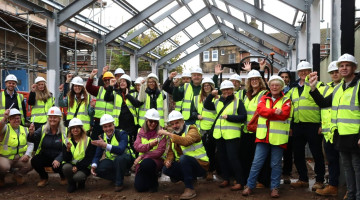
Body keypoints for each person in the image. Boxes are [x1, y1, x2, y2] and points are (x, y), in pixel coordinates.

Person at [308, 53, 359, 200]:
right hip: (341, 135)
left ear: (354, 68)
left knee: (357, 168)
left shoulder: (358, 86)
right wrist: (313, 89)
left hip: (355, 136)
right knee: (348, 168)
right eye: (341, 66)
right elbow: (324, 103)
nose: (343, 68)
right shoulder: (338, 89)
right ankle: (351, 194)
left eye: (347, 65)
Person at [242, 75, 292, 198]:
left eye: (277, 85)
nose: (274, 87)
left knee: (275, 164)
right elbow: (260, 111)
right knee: (256, 163)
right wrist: (275, 111)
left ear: (281, 87)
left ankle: (274, 188)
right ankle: (249, 185)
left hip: (278, 139)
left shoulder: (286, 100)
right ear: (269, 86)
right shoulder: (263, 98)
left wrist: (269, 113)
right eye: (272, 85)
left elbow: (284, 114)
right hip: (263, 137)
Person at [286, 61, 325, 191]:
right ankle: (303, 178)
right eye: (301, 71)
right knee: (297, 153)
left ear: (310, 71)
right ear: (298, 73)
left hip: (313, 125)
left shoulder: (318, 85)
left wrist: (321, 124)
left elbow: (324, 106)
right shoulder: (293, 89)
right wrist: (290, 126)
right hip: (297, 125)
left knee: (317, 153)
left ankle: (319, 180)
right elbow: (289, 108)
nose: (303, 73)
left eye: (306, 71)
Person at [203, 80, 246, 190]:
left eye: (229, 89)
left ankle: (240, 181)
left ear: (232, 90)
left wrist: (229, 117)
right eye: (224, 90)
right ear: (221, 91)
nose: (226, 91)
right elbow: (207, 105)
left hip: (232, 135)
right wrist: (211, 95)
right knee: (222, 158)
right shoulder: (218, 101)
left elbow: (243, 117)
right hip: (219, 134)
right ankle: (225, 179)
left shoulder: (238, 102)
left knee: (233, 158)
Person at [159, 110, 209, 200]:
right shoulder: (173, 135)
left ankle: (190, 188)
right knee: (166, 169)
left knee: (184, 158)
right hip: (186, 165)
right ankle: (190, 179)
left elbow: (186, 141)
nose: (175, 126)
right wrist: (168, 161)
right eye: (172, 124)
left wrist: (168, 133)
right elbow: (170, 152)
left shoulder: (192, 129)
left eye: (177, 123)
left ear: (182, 121)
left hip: (201, 165)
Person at [314, 61, 342, 196]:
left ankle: (348, 188)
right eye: (332, 73)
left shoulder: (346, 87)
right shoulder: (326, 88)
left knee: (347, 161)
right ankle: (333, 186)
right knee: (331, 160)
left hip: (342, 130)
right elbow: (323, 106)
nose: (335, 74)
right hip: (328, 131)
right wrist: (321, 124)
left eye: (336, 71)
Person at [241, 70, 268, 188]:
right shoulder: (247, 95)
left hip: (258, 130)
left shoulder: (264, 93)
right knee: (247, 156)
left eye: (256, 79)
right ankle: (249, 179)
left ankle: (262, 180)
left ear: (260, 80)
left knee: (260, 157)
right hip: (247, 130)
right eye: (252, 79)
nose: (254, 81)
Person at [91, 114, 132, 192]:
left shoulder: (122, 134)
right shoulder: (101, 137)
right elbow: (97, 155)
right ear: (102, 128)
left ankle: (119, 183)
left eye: (110, 126)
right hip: (112, 160)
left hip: (126, 159)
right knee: (98, 168)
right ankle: (117, 177)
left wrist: (105, 145)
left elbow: (121, 150)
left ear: (114, 125)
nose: (108, 128)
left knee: (119, 159)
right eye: (105, 127)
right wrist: (94, 165)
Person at [28, 106, 67, 187]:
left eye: (55, 117)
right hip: (46, 156)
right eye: (50, 117)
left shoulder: (65, 131)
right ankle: (44, 178)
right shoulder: (43, 129)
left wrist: (58, 159)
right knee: (34, 160)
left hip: (59, 157)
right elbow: (32, 139)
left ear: (59, 119)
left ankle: (64, 177)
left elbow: (67, 149)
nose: (52, 119)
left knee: (60, 165)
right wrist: (31, 133)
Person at [133, 109, 166, 192]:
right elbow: (137, 146)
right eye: (151, 121)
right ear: (146, 121)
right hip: (142, 162)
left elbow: (159, 151)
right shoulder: (140, 131)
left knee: (147, 163)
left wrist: (142, 156)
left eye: (155, 122)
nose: (153, 124)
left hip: (156, 161)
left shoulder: (161, 133)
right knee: (140, 188)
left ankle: (154, 183)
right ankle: (146, 180)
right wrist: (150, 145)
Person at [104, 74, 138, 155]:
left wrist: (128, 95)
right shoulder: (116, 92)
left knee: (132, 142)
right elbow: (107, 98)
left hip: (131, 123)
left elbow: (136, 104)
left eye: (124, 81)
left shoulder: (133, 93)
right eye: (120, 82)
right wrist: (111, 86)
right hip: (119, 123)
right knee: (121, 140)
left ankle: (132, 157)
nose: (122, 83)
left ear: (128, 83)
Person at [192, 78, 217, 181]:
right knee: (201, 151)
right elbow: (192, 112)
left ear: (212, 86)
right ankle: (203, 170)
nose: (206, 87)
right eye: (205, 85)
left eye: (208, 85)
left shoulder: (217, 98)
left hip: (212, 128)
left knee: (211, 151)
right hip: (200, 128)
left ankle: (210, 171)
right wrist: (197, 115)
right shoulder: (197, 98)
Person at [0, 108, 33, 186]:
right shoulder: (5, 128)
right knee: (3, 167)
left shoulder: (25, 129)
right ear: (9, 119)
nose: (16, 120)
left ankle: (17, 175)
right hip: (5, 158)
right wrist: (4, 118)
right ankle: (1, 178)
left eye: (18, 118)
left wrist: (27, 155)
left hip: (19, 158)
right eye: (13, 118)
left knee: (33, 162)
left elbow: (30, 143)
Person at [62, 118, 96, 193]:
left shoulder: (88, 140)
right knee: (66, 167)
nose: (75, 129)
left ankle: (81, 182)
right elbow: (65, 158)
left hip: (84, 166)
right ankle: (72, 184)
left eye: (77, 127)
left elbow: (89, 158)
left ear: (81, 129)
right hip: (71, 165)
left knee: (78, 177)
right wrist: (67, 150)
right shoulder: (66, 141)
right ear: (70, 130)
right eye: (73, 128)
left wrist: (77, 167)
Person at [86, 69, 115, 140]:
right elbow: (88, 88)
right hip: (98, 121)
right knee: (94, 142)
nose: (107, 81)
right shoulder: (99, 89)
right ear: (103, 81)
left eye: (109, 80)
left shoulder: (116, 91)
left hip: (110, 122)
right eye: (105, 80)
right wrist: (91, 77)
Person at [278, 68, 294, 184]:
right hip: (277, 125)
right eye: (282, 77)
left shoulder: (293, 90)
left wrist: (291, 127)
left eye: (286, 77)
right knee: (276, 151)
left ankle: (287, 173)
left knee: (288, 150)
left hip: (288, 124)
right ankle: (276, 173)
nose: (284, 79)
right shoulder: (274, 90)